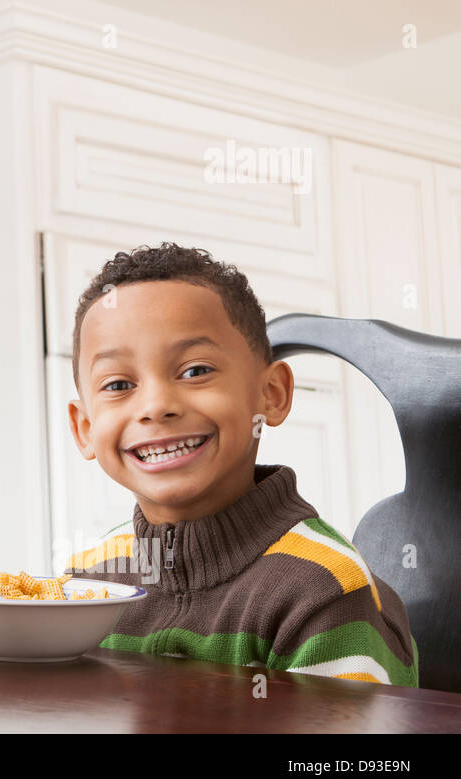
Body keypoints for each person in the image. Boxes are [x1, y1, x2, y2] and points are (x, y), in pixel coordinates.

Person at [64, 242, 418, 686]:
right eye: (118, 384)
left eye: (195, 371)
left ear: (271, 393)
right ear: (83, 428)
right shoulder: (86, 582)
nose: (155, 406)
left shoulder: (326, 590)